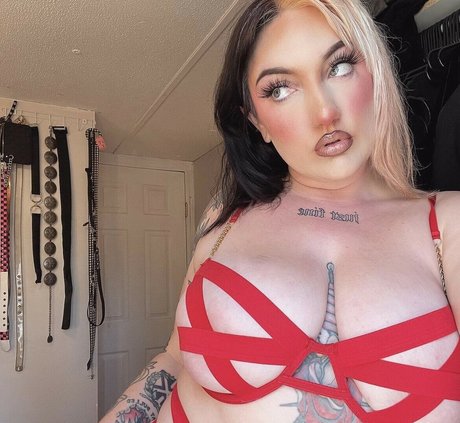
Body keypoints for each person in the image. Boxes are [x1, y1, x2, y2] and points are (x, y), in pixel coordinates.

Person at [100, 0, 460, 421]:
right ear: (257, 122)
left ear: (376, 74)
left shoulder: (447, 225)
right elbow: (176, 356)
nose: (324, 112)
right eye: (281, 89)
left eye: (340, 66)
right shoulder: (223, 216)